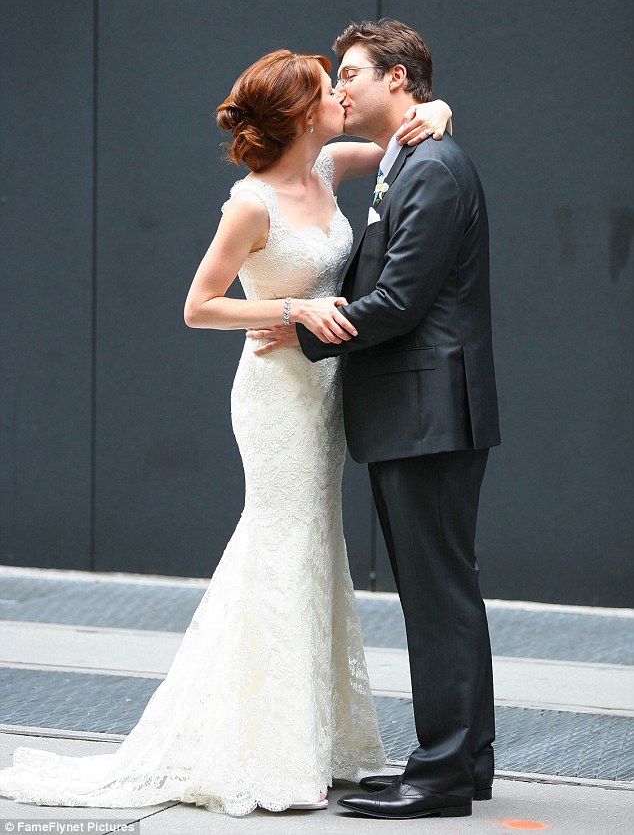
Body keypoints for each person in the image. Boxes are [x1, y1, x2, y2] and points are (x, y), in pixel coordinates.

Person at [0, 49, 452, 816]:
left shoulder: (330, 167)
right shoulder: (250, 204)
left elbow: (405, 140)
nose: (342, 92)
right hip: (276, 394)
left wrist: (439, 112)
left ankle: (316, 738)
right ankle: (272, 752)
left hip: (325, 392)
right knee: (280, 544)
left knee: (317, 548)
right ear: (306, 113)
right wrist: (290, 309)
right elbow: (198, 305)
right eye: (327, 86)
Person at [257, 19, 501, 821]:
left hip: (428, 410)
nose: (340, 87)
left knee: (437, 595)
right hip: (421, 410)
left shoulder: (432, 166)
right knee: (444, 589)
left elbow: (398, 301)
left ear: (399, 80)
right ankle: (463, 761)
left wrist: (298, 330)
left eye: (353, 72)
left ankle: (440, 773)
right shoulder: (409, 157)